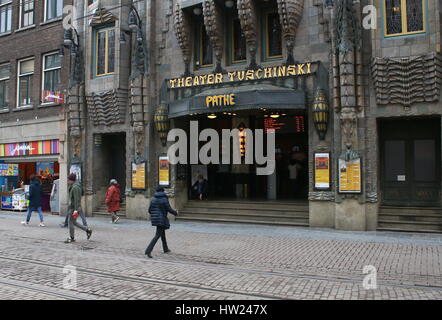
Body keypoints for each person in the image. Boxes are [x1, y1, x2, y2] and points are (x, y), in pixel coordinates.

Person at [145, 186, 178, 258]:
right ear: (163, 191)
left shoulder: (153, 199)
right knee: (157, 235)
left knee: (162, 233)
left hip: (155, 218)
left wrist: (155, 215)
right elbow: (169, 209)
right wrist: (175, 212)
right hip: (161, 218)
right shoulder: (164, 199)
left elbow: (149, 210)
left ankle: (165, 249)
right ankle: (148, 251)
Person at [65, 173, 92, 243]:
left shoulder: (75, 187)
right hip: (74, 207)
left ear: (72, 180)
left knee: (70, 222)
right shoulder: (74, 186)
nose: (67, 181)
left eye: (68, 179)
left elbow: (77, 199)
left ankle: (72, 237)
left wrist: (76, 210)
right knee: (74, 222)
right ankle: (87, 229)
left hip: (74, 208)